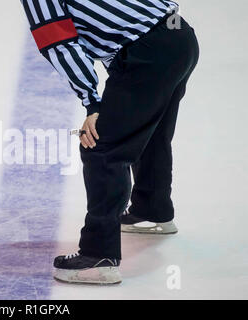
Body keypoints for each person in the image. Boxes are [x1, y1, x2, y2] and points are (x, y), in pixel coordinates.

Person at [20, 0, 199, 284]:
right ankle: (152, 211)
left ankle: (98, 256)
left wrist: (92, 103)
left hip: (148, 54)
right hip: (179, 37)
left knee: (101, 147)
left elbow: (60, 44)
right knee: (149, 132)